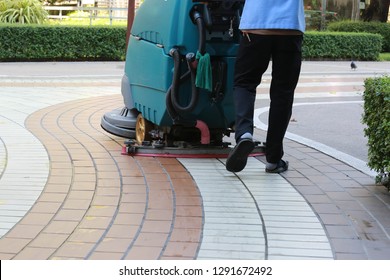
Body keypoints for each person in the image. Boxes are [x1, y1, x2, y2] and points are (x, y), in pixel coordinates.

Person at [226, 0, 306, 173]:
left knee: (245, 83)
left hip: (255, 24)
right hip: (290, 26)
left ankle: (244, 133)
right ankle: (273, 159)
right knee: (282, 93)